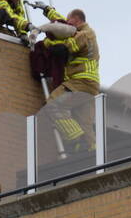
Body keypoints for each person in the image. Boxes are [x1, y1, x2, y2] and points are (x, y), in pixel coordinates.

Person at [39, 8, 100, 152]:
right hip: (90, 86)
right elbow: (63, 22)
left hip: (80, 82)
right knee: (85, 123)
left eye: (70, 21)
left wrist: (46, 43)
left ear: (77, 20)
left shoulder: (84, 35)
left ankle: (75, 139)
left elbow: (62, 50)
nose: (67, 24)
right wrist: (47, 10)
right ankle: (92, 152)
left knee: (54, 105)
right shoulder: (82, 31)